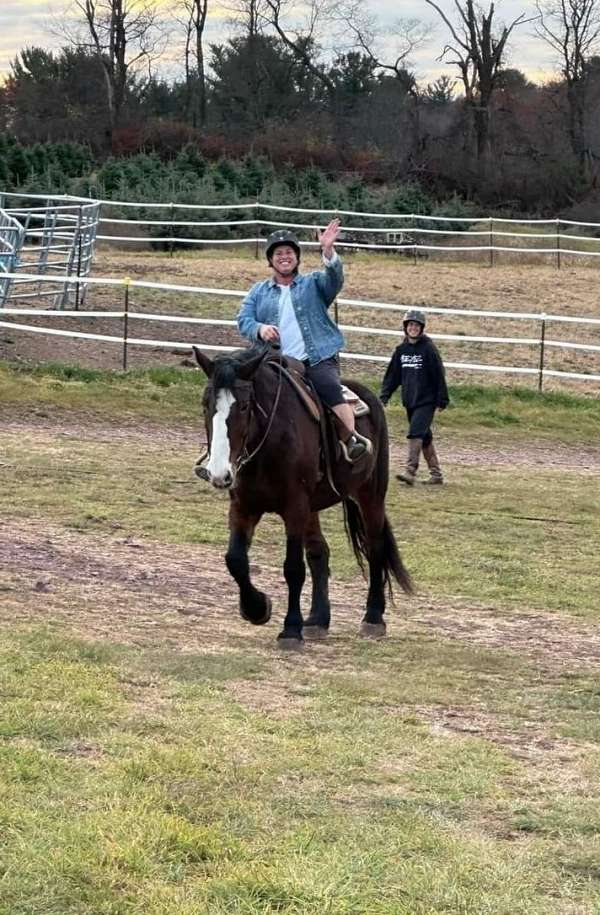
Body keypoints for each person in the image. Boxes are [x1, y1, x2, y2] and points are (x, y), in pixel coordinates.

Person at [237, 219, 371, 462]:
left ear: (297, 257)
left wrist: (328, 251)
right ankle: (228, 450)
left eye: (289, 252)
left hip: (315, 359)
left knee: (329, 388)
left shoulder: (314, 284)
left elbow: (335, 279)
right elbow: (243, 319)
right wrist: (259, 329)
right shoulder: (258, 291)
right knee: (238, 395)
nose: (284, 257)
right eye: (278, 253)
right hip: (273, 362)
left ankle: (350, 440)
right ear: (270, 260)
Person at [380, 308, 449, 485]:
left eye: (416, 325)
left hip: (427, 400)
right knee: (424, 436)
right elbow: (393, 376)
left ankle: (410, 471)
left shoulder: (429, 349)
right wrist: (384, 396)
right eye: (410, 325)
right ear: (405, 327)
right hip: (410, 400)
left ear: (421, 328)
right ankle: (436, 474)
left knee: (415, 433)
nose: (413, 328)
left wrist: (442, 398)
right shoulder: (401, 350)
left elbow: (438, 374)